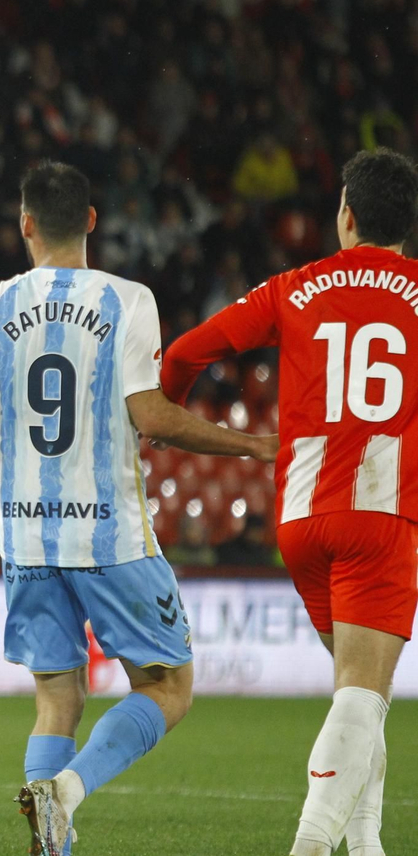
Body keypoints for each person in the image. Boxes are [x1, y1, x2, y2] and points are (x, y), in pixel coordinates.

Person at [0, 161, 278, 856]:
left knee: (57, 699)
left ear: (25, 224)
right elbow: (151, 416)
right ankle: (66, 792)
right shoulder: (128, 300)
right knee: (169, 686)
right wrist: (251, 444)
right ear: (92, 221)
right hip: (109, 536)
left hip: (25, 541)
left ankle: (54, 836)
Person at [161, 149, 418, 856]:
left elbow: (182, 354)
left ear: (346, 216)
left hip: (301, 519)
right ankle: (310, 845)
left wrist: (169, 412)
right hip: (379, 515)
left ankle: (366, 844)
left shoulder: (293, 288)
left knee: (358, 698)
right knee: (362, 695)